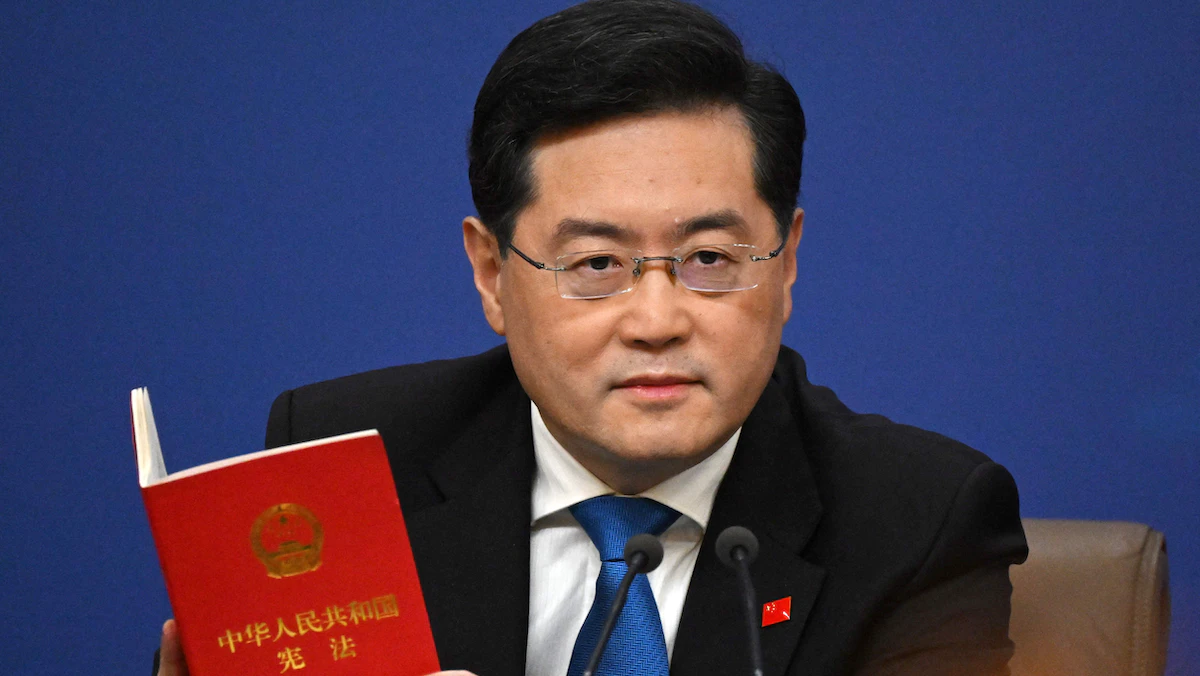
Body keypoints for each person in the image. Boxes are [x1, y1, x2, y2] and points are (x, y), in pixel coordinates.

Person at [155, 1, 1027, 674]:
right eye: (598, 264)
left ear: (787, 261)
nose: (657, 322)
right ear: (492, 273)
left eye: (710, 258)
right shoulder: (349, 464)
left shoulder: (920, 524)